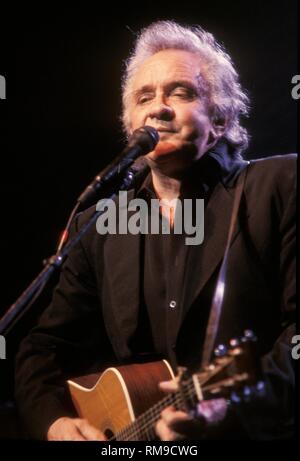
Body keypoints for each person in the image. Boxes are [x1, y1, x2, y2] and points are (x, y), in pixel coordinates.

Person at [15, 20, 296, 441]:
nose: (158, 107)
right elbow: (43, 349)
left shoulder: (278, 186)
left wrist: (232, 412)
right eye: (144, 97)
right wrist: (55, 423)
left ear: (219, 119)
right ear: (131, 124)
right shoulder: (102, 222)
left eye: (180, 92)